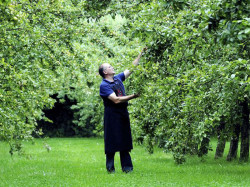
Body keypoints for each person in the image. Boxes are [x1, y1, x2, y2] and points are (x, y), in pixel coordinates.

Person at [99, 47, 147, 173]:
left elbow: (132, 68)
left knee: (125, 140)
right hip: (112, 116)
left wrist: (140, 54)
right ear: (105, 72)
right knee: (112, 141)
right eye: (109, 67)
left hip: (122, 114)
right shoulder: (104, 85)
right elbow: (116, 100)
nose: (112, 67)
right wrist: (133, 96)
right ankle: (110, 169)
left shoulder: (118, 78)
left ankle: (127, 168)